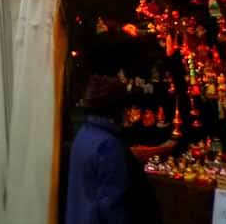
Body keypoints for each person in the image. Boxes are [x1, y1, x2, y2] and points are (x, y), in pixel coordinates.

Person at [65, 75, 161, 224]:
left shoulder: (83, 134)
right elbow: (113, 206)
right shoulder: (108, 145)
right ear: (116, 109)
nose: (127, 112)